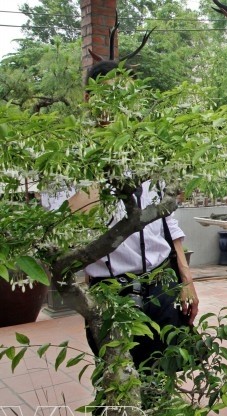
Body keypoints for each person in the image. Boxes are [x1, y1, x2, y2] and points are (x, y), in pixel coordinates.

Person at [76, 61, 199, 368]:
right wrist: (97, 152)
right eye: (110, 95)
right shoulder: (74, 157)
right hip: (112, 292)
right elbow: (80, 223)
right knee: (119, 386)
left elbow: (166, 220)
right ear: (90, 100)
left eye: (126, 96)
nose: (119, 105)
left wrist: (186, 278)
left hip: (162, 282)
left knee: (165, 378)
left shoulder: (145, 151)